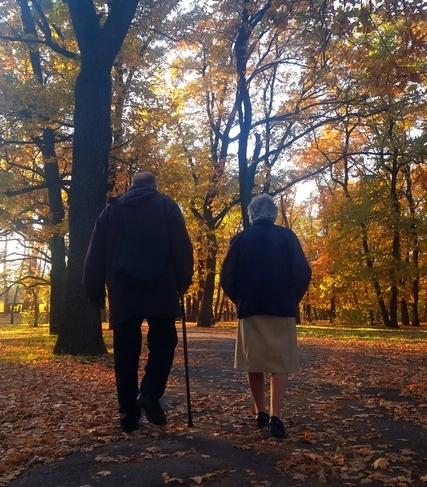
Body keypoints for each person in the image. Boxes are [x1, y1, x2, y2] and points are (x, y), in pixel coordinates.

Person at [83, 171, 194, 433]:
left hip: (123, 290)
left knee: (125, 351)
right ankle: (150, 392)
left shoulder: (111, 211)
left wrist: (93, 287)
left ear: (131, 186)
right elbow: (182, 246)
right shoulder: (166, 205)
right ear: (154, 187)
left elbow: (95, 251)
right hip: (161, 288)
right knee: (164, 342)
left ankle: (128, 415)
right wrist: (182, 282)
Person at [220, 193, 311, 438]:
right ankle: (276, 416)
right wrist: (293, 299)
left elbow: (227, 277)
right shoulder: (287, 237)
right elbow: (303, 272)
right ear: (274, 214)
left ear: (251, 215)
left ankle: (259, 410)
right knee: (280, 363)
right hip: (281, 307)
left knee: (255, 361)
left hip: (250, 308)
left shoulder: (241, 239)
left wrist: (240, 299)